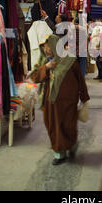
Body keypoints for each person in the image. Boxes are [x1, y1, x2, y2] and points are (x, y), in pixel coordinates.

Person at [28, 34, 90, 165]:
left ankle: (71, 144)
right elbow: (34, 77)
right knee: (53, 126)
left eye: (48, 47)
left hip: (68, 102)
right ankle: (59, 153)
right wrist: (46, 68)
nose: (46, 50)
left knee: (68, 126)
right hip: (50, 103)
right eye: (44, 48)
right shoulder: (44, 60)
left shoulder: (70, 59)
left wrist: (84, 98)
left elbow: (80, 79)